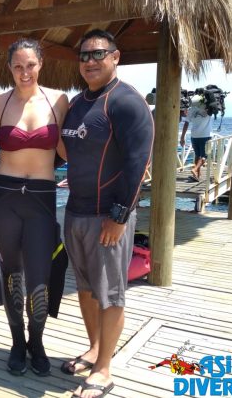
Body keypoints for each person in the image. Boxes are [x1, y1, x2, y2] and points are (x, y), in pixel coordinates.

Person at [60, 29, 154, 398]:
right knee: (85, 287)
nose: (90, 61)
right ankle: (94, 348)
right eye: (84, 55)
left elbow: (137, 163)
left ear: (115, 57)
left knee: (111, 293)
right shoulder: (77, 103)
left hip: (107, 217)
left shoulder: (127, 102)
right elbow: (66, 152)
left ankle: (104, 369)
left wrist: (119, 216)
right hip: (75, 211)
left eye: (98, 54)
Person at [0, 38, 69, 377]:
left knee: (39, 275)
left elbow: (75, 147)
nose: (24, 72)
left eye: (30, 65)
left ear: (40, 64)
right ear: (9, 68)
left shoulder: (59, 100)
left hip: (41, 197)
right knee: (11, 274)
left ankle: (37, 342)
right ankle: (17, 342)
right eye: (17, 66)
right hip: (3, 196)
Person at [180, 94, 212, 182]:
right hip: (205, 136)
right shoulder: (208, 109)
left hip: (194, 136)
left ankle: (197, 176)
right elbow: (217, 109)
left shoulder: (191, 110)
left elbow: (186, 123)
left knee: (197, 155)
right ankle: (195, 169)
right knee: (204, 156)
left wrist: (182, 137)